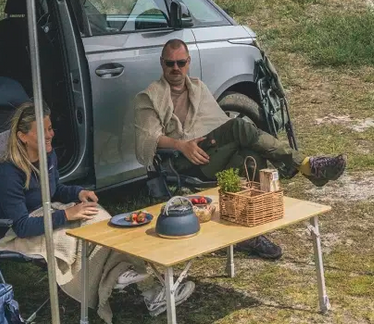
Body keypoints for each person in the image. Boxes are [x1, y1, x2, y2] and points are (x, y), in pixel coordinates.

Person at [132, 38, 346, 260]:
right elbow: (148, 139)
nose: (175, 68)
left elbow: (215, 122)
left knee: (251, 156)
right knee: (238, 126)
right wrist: (181, 145)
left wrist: (217, 139)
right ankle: (306, 166)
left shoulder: (197, 87)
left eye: (180, 62)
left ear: (189, 62)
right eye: (170, 63)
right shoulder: (149, 97)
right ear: (161, 63)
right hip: (181, 162)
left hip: (211, 154)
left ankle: (249, 234)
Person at [0, 102, 193, 323]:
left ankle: (142, 285)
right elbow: (21, 226)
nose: (51, 134)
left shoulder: (47, 156)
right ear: (23, 136)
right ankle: (127, 280)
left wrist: (78, 193)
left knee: (101, 220)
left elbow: (55, 190)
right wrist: (67, 216)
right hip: (23, 232)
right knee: (85, 230)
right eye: (44, 131)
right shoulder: (7, 173)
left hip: (50, 215)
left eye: (50, 128)